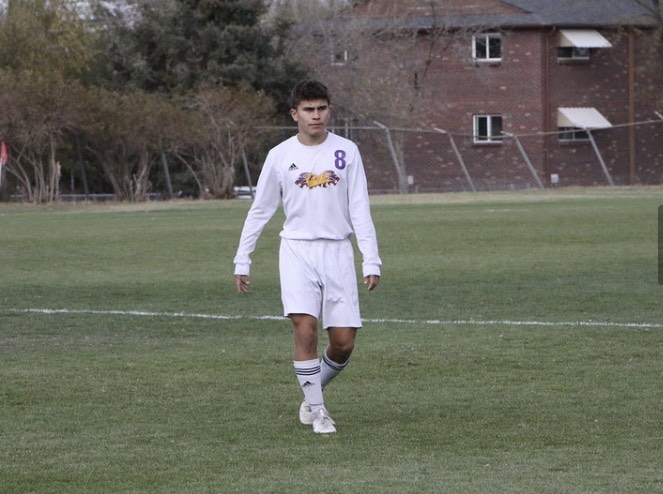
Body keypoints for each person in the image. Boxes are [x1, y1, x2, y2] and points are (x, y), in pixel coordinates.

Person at [233, 79, 381, 434]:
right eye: (308, 110)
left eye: (321, 109)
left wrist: (371, 258)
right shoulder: (280, 155)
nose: (316, 116)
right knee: (306, 329)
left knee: (344, 342)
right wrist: (243, 258)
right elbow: (261, 209)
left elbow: (360, 206)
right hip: (297, 250)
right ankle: (318, 412)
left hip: (338, 251)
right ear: (294, 113)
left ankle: (312, 393)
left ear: (329, 110)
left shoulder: (347, 150)